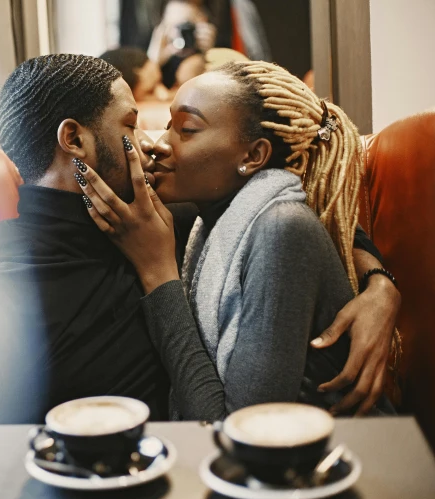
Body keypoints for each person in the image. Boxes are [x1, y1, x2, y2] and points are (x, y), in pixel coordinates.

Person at [0, 55, 399, 425]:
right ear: (75, 140)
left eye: (177, 128)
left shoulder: (160, 222)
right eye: (131, 125)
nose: (151, 142)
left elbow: (295, 208)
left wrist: (379, 283)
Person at [73, 61, 400, 418]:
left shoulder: (281, 227)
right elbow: (334, 218)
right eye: (168, 125)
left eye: (188, 129)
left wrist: (158, 273)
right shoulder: (210, 212)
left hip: (331, 458)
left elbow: (237, 427)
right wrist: (380, 282)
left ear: (252, 156)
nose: (158, 144)